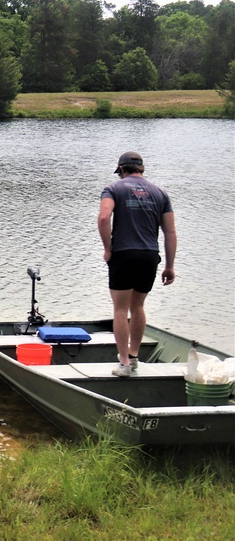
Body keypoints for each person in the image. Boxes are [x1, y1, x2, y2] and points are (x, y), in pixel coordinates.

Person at [98, 151, 177, 378]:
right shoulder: (160, 193)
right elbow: (170, 232)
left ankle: (123, 363)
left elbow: (104, 218)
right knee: (138, 306)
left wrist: (107, 248)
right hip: (149, 255)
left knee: (120, 309)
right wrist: (169, 266)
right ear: (141, 169)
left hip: (123, 254)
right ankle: (133, 356)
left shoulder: (113, 189)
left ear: (122, 169)